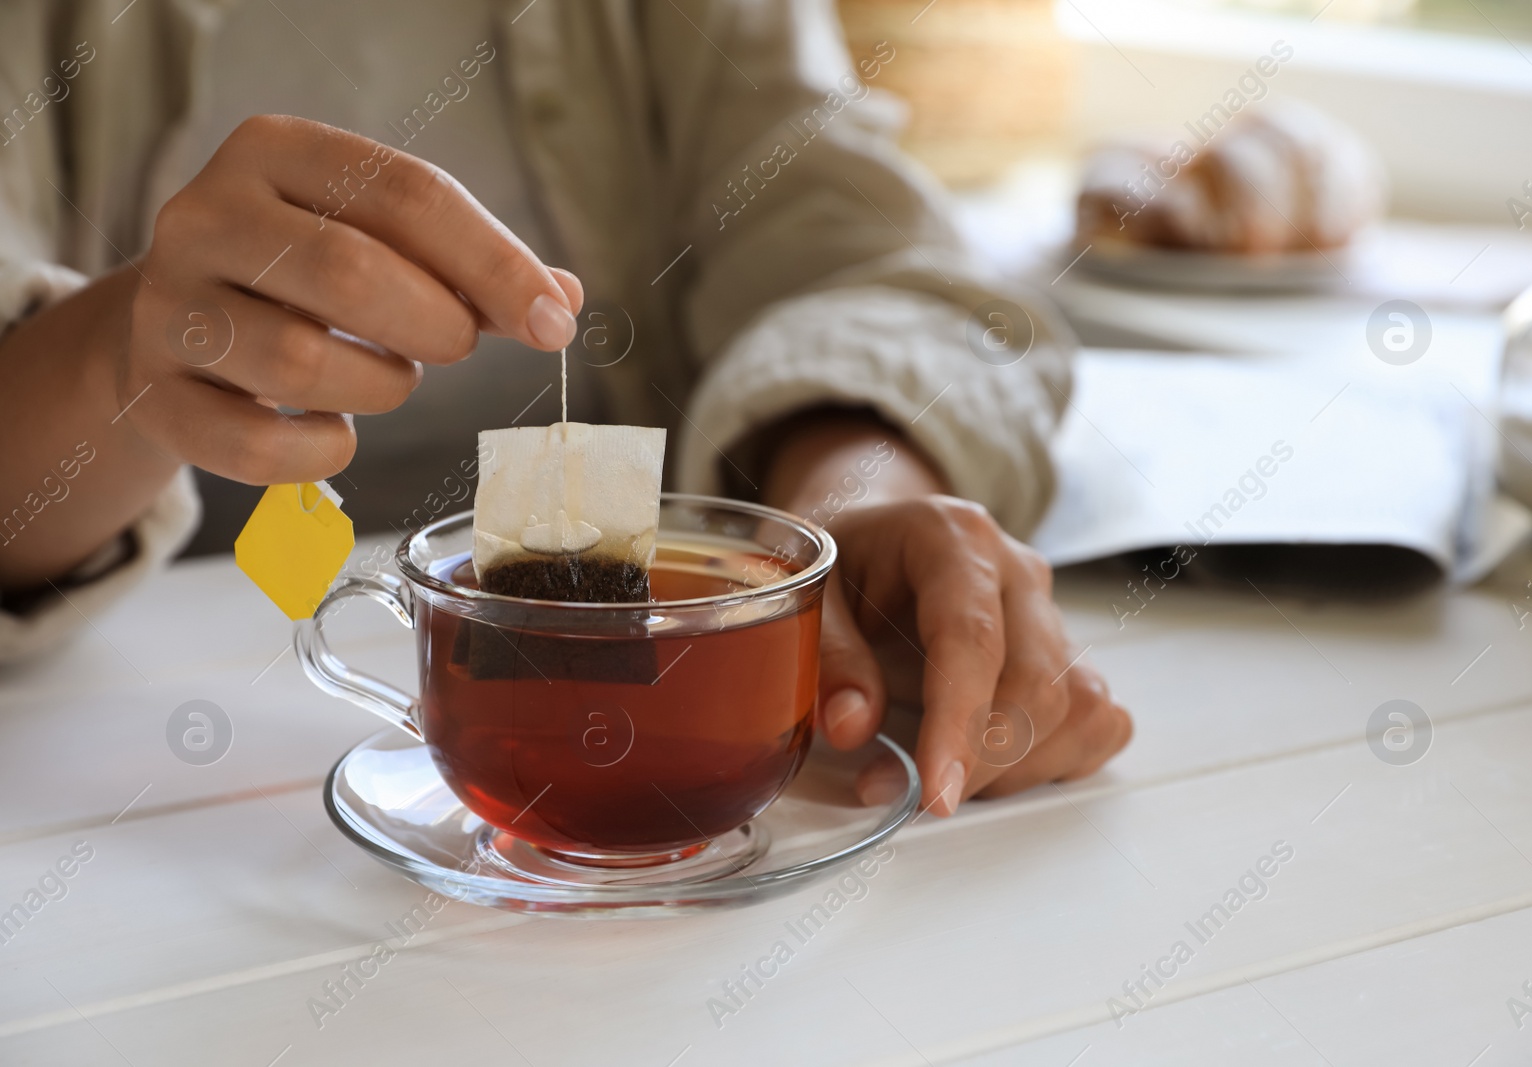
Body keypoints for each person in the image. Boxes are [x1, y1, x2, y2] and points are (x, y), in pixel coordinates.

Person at [0, 0, 1128, 815]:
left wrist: (854, 497)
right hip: (116, 758)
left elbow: (861, 252)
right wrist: (112, 353)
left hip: (670, 735)